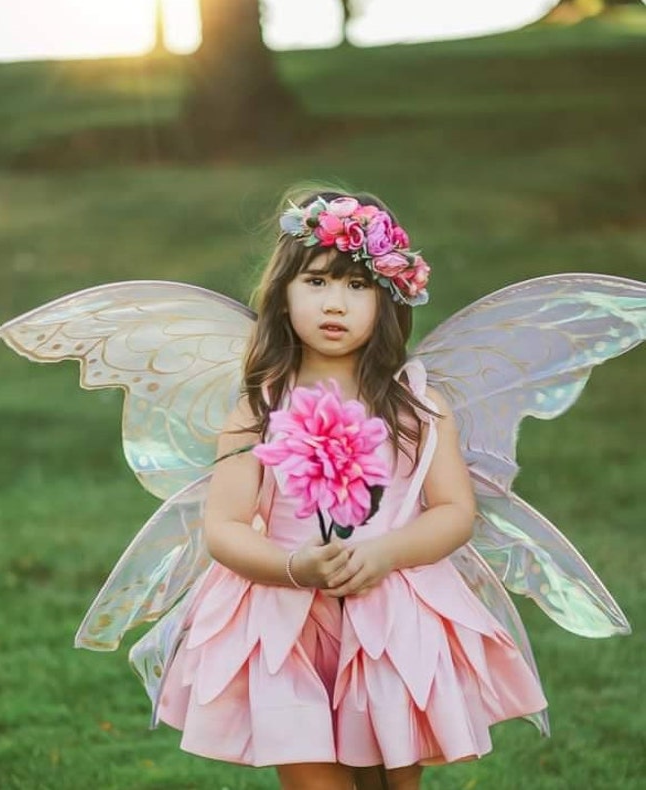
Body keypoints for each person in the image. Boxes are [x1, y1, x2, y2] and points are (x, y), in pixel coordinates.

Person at [154, 188, 549, 790]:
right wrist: (294, 565)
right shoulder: (259, 408)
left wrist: (384, 552)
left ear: (388, 299)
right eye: (316, 282)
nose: (335, 302)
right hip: (287, 619)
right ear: (282, 295)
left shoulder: (415, 406)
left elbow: (453, 511)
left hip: (388, 617)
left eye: (358, 286)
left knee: (389, 781)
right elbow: (224, 527)